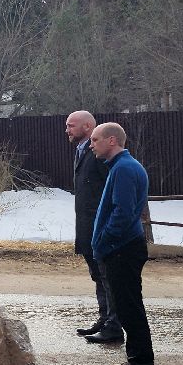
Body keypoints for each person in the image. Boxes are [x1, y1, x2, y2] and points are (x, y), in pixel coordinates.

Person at [89, 122, 157, 365]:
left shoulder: (125, 169)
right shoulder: (120, 167)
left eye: (95, 139)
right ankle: (136, 360)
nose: (91, 144)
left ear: (112, 141)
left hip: (123, 250)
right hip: (122, 248)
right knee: (128, 308)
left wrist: (105, 242)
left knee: (130, 310)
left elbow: (123, 213)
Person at [65, 110, 121, 343]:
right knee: (97, 275)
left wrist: (106, 228)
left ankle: (113, 326)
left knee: (108, 277)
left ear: (87, 127)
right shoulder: (81, 151)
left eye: (71, 126)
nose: (67, 130)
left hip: (100, 228)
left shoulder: (98, 153)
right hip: (87, 228)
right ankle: (104, 318)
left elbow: (110, 191)